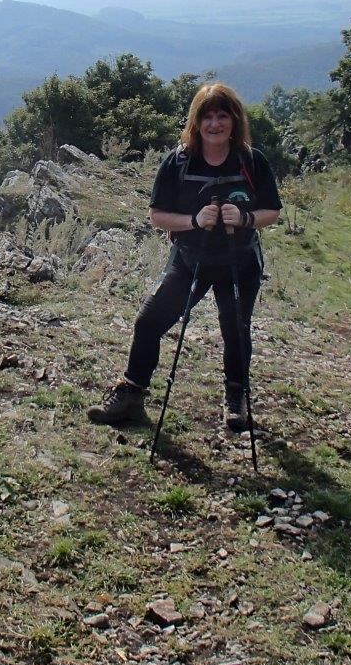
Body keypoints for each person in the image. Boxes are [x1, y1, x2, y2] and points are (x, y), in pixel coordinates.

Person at [87, 82, 283, 431]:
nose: (215, 124)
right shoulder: (179, 161)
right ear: (196, 121)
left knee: (236, 330)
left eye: (223, 115)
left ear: (235, 120)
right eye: (207, 116)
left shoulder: (252, 161)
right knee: (149, 323)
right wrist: (194, 221)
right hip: (190, 258)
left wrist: (246, 218)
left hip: (240, 261)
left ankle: (236, 397)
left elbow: (272, 211)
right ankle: (132, 393)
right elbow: (158, 215)